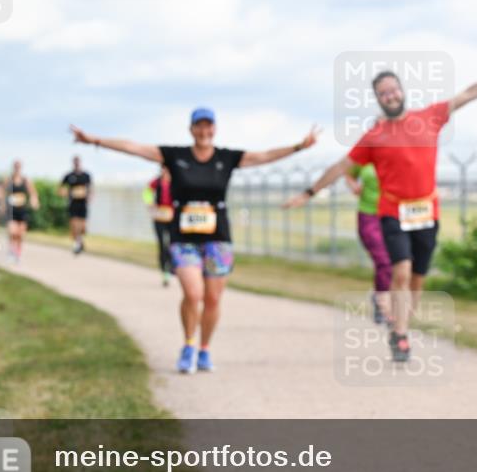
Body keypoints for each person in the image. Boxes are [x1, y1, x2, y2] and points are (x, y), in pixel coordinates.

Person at [284, 64, 477, 362]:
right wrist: (308, 193)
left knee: (417, 279)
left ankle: (401, 326)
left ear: (401, 91)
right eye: (384, 93)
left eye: (393, 90)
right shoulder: (375, 135)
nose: (390, 96)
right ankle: (400, 334)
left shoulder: (429, 117)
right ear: (378, 99)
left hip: (426, 211)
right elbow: (340, 167)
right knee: (401, 271)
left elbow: (468, 94)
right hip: (392, 211)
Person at [70, 107, 319, 373]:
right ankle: (188, 345)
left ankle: (204, 349)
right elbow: (133, 147)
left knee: (212, 299)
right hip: (184, 238)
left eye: (208, 126)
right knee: (193, 293)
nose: (204, 131)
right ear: (191, 129)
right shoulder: (175, 156)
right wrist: (94, 140)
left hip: (218, 239)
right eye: (198, 126)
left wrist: (298, 147)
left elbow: (264, 156)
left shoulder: (227, 157)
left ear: (215, 129)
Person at [344, 163, 391, 324]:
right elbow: (348, 173)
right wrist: (353, 186)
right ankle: (381, 301)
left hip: (393, 216)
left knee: (398, 262)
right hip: (368, 215)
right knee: (383, 261)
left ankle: (384, 297)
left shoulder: (398, 153)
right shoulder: (364, 156)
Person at [144, 164, 174, 286]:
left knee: (172, 244)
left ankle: (171, 265)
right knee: (162, 244)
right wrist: (150, 204)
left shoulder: (175, 181)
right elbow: (147, 192)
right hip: (159, 216)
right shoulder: (156, 182)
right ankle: (164, 272)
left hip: (172, 217)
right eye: (163, 168)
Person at [3, 161, 39, 263]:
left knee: (20, 234)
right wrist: (2, 205)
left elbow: (33, 193)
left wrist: (34, 201)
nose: (17, 168)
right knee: (12, 232)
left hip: (22, 210)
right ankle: (11, 251)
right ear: (13, 167)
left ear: (21, 168)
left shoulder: (25, 180)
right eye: (15, 166)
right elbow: (3, 192)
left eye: (19, 166)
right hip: (11, 210)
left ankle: (18, 254)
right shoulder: (8, 180)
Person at [60, 156, 92, 255]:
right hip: (73, 204)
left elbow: (90, 188)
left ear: (80, 163)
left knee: (83, 228)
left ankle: (80, 240)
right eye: (75, 162)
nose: (77, 164)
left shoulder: (86, 175)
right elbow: (60, 188)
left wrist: (90, 197)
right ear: (73, 163)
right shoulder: (69, 175)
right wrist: (65, 194)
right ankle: (76, 245)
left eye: (78, 162)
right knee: (74, 225)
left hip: (83, 204)